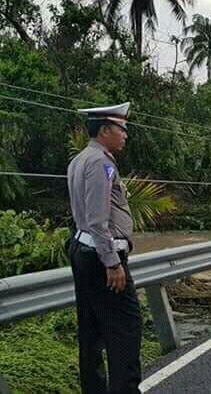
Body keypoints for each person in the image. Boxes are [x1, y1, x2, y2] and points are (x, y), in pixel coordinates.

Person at [67, 102, 142, 394]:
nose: (125, 135)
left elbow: (82, 217)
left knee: (92, 330)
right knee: (126, 329)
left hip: (83, 251)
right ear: (106, 129)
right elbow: (98, 219)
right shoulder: (102, 163)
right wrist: (112, 262)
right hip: (102, 257)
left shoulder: (79, 160)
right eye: (122, 129)